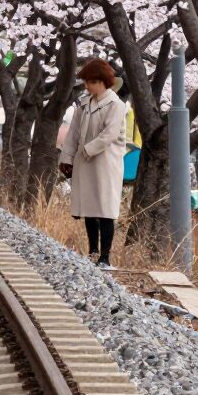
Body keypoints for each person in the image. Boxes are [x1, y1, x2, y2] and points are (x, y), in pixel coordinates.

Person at [61, 58, 126, 268]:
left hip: (106, 163)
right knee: (89, 206)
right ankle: (93, 251)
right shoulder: (84, 104)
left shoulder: (116, 105)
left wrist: (87, 150)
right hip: (85, 161)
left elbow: (109, 134)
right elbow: (73, 133)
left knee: (105, 209)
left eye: (90, 82)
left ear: (101, 81)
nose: (87, 86)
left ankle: (105, 256)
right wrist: (67, 157)